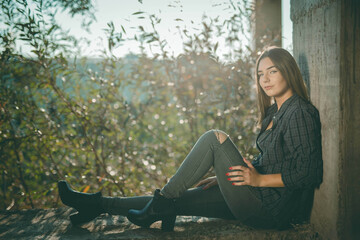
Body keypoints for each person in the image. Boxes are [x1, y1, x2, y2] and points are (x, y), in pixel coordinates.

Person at [58, 46, 323, 231]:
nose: (265, 80)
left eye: (273, 72)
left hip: (270, 209)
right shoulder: (275, 111)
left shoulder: (299, 111)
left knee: (213, 138)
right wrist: (227, 176)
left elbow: (308, 173)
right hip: (256, 196)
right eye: (260, 74)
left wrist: (258, 179)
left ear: (288, 71)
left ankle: (160, 204)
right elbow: (279, 158)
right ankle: (96, 204)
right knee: (177, 201)